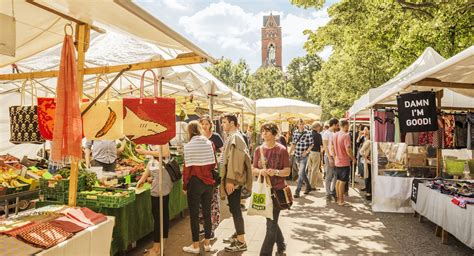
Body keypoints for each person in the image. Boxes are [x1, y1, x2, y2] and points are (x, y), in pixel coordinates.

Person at [252, 122, 290, 256]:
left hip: (277, 191)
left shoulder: (282, 150)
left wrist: (276, 172)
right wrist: (261, 172)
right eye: (263, 131)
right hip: (264, 191)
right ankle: (281, 245)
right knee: (271, 221)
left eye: (267, 131)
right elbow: (253, 169)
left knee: (270, 226)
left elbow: (287, 171)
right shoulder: (259, 150)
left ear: (274, 134)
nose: (264, 133)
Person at [181, 121, 216, 254]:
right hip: (208, 183)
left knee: (194, 216)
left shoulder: (188, 146)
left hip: (195, 183)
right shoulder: (209, 143)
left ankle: (195, 246)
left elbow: (187, 169)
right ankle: (207, 243)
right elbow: (213, 164)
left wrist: (185, 185)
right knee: (207, 214)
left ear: (189, 132)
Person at [220, 113, 252, 252]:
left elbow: (236, 162)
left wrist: (231, 180)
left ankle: (241, 241)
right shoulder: (234, 136)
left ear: (232, 123)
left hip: (233, 180)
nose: (222, 124)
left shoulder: (236, 137)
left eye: (224, 122)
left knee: (235, 208)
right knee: (234, 208)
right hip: (232, 179)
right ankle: (237, 234)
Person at [136, 144, 172, 256]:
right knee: (160, 215)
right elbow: (151, 162)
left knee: (159, 216)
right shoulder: (152, 142)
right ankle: (159, 247)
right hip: (158, 180)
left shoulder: (162, 140)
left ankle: (157, 249)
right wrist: (142, 178)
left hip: (161, 181)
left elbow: (165, 154)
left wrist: (145, 152)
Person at [198, 115, 223, 237]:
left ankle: (212, 227)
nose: (204, 126)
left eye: (206, 123)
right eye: (202, 123)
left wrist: (218, 163)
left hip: (212, 172)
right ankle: (204, 227)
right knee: (201, 203)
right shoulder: (198, 137)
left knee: (212, 201)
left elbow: (223, 152)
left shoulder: (215, 137)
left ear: (210, 124)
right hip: (200, 173)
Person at [331, 120, 356, 206]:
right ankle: (341, 201)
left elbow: (332, 148)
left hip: (337, 160)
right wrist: (353, 158)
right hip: (344, 161)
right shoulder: (346, 135)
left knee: (338, 181)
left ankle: (339, 199)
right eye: (348, 126)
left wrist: (334, 157)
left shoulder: (335, 135)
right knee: (342, 182)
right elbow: (348, 149)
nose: (348, 127)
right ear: (345, 126)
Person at [290, 119, 313, 198]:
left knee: (300, 173)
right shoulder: (295, 132)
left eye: (302, 124)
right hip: (297, 155)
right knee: (302, 173)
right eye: (300, 124)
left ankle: (297, 191)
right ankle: (308, 186)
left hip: (304, 156)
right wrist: (289, 153)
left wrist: (306, 152)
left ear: (304, 124)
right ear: (297, 124)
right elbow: (293, 144)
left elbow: (311, 144)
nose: (301, 125)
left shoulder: (308, 133)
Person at [323, 118, 339, 200]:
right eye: (337, 125)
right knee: (329, 176)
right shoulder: (326, 133)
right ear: (334, 124)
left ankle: (333, 191)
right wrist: (329, 158)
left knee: (336, 175)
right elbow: (325, 146)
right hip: (329, 156)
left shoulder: (334, 133)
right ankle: (328, 193)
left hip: (335, 157)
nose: (338, 126)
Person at [307, 121, 323, 190]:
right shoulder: (318, 135)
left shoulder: (308, 133)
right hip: (315, 152)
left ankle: (309, 184)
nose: (320, 128)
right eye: (319, 127)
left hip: (309, 152)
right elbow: (320, 145)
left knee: (310, 170)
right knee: (315, 170)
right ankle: (312, 186)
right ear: (317, 127)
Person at [359, 129, 372, 200]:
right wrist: (366, 157)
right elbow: (361, 151)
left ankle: (369, 193)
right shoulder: (368, 142)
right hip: (368, 162)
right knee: (368, 177)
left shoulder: (368, 141)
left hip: (369, 162)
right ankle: (368, 193)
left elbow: (361, 151)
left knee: (368, 176)